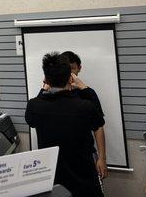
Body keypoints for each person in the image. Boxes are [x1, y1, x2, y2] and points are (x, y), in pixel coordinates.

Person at [25, 52, 105, 197]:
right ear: (69, 78)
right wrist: (85, 88)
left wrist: (43, 88)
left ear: (46, 79)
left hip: (54, 178)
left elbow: (31, 119)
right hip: (83, 175)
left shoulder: (34, 106)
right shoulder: (85, 106)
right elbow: (99, 120)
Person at [61, 51, 108, 181]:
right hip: (61, 158)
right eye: (66, 69)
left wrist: (102, 159)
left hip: (86, 155)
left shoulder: (87, 93)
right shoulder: (51, 94)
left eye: (72, 69)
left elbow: (98, 127)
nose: (69, 73)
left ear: (79, 69)